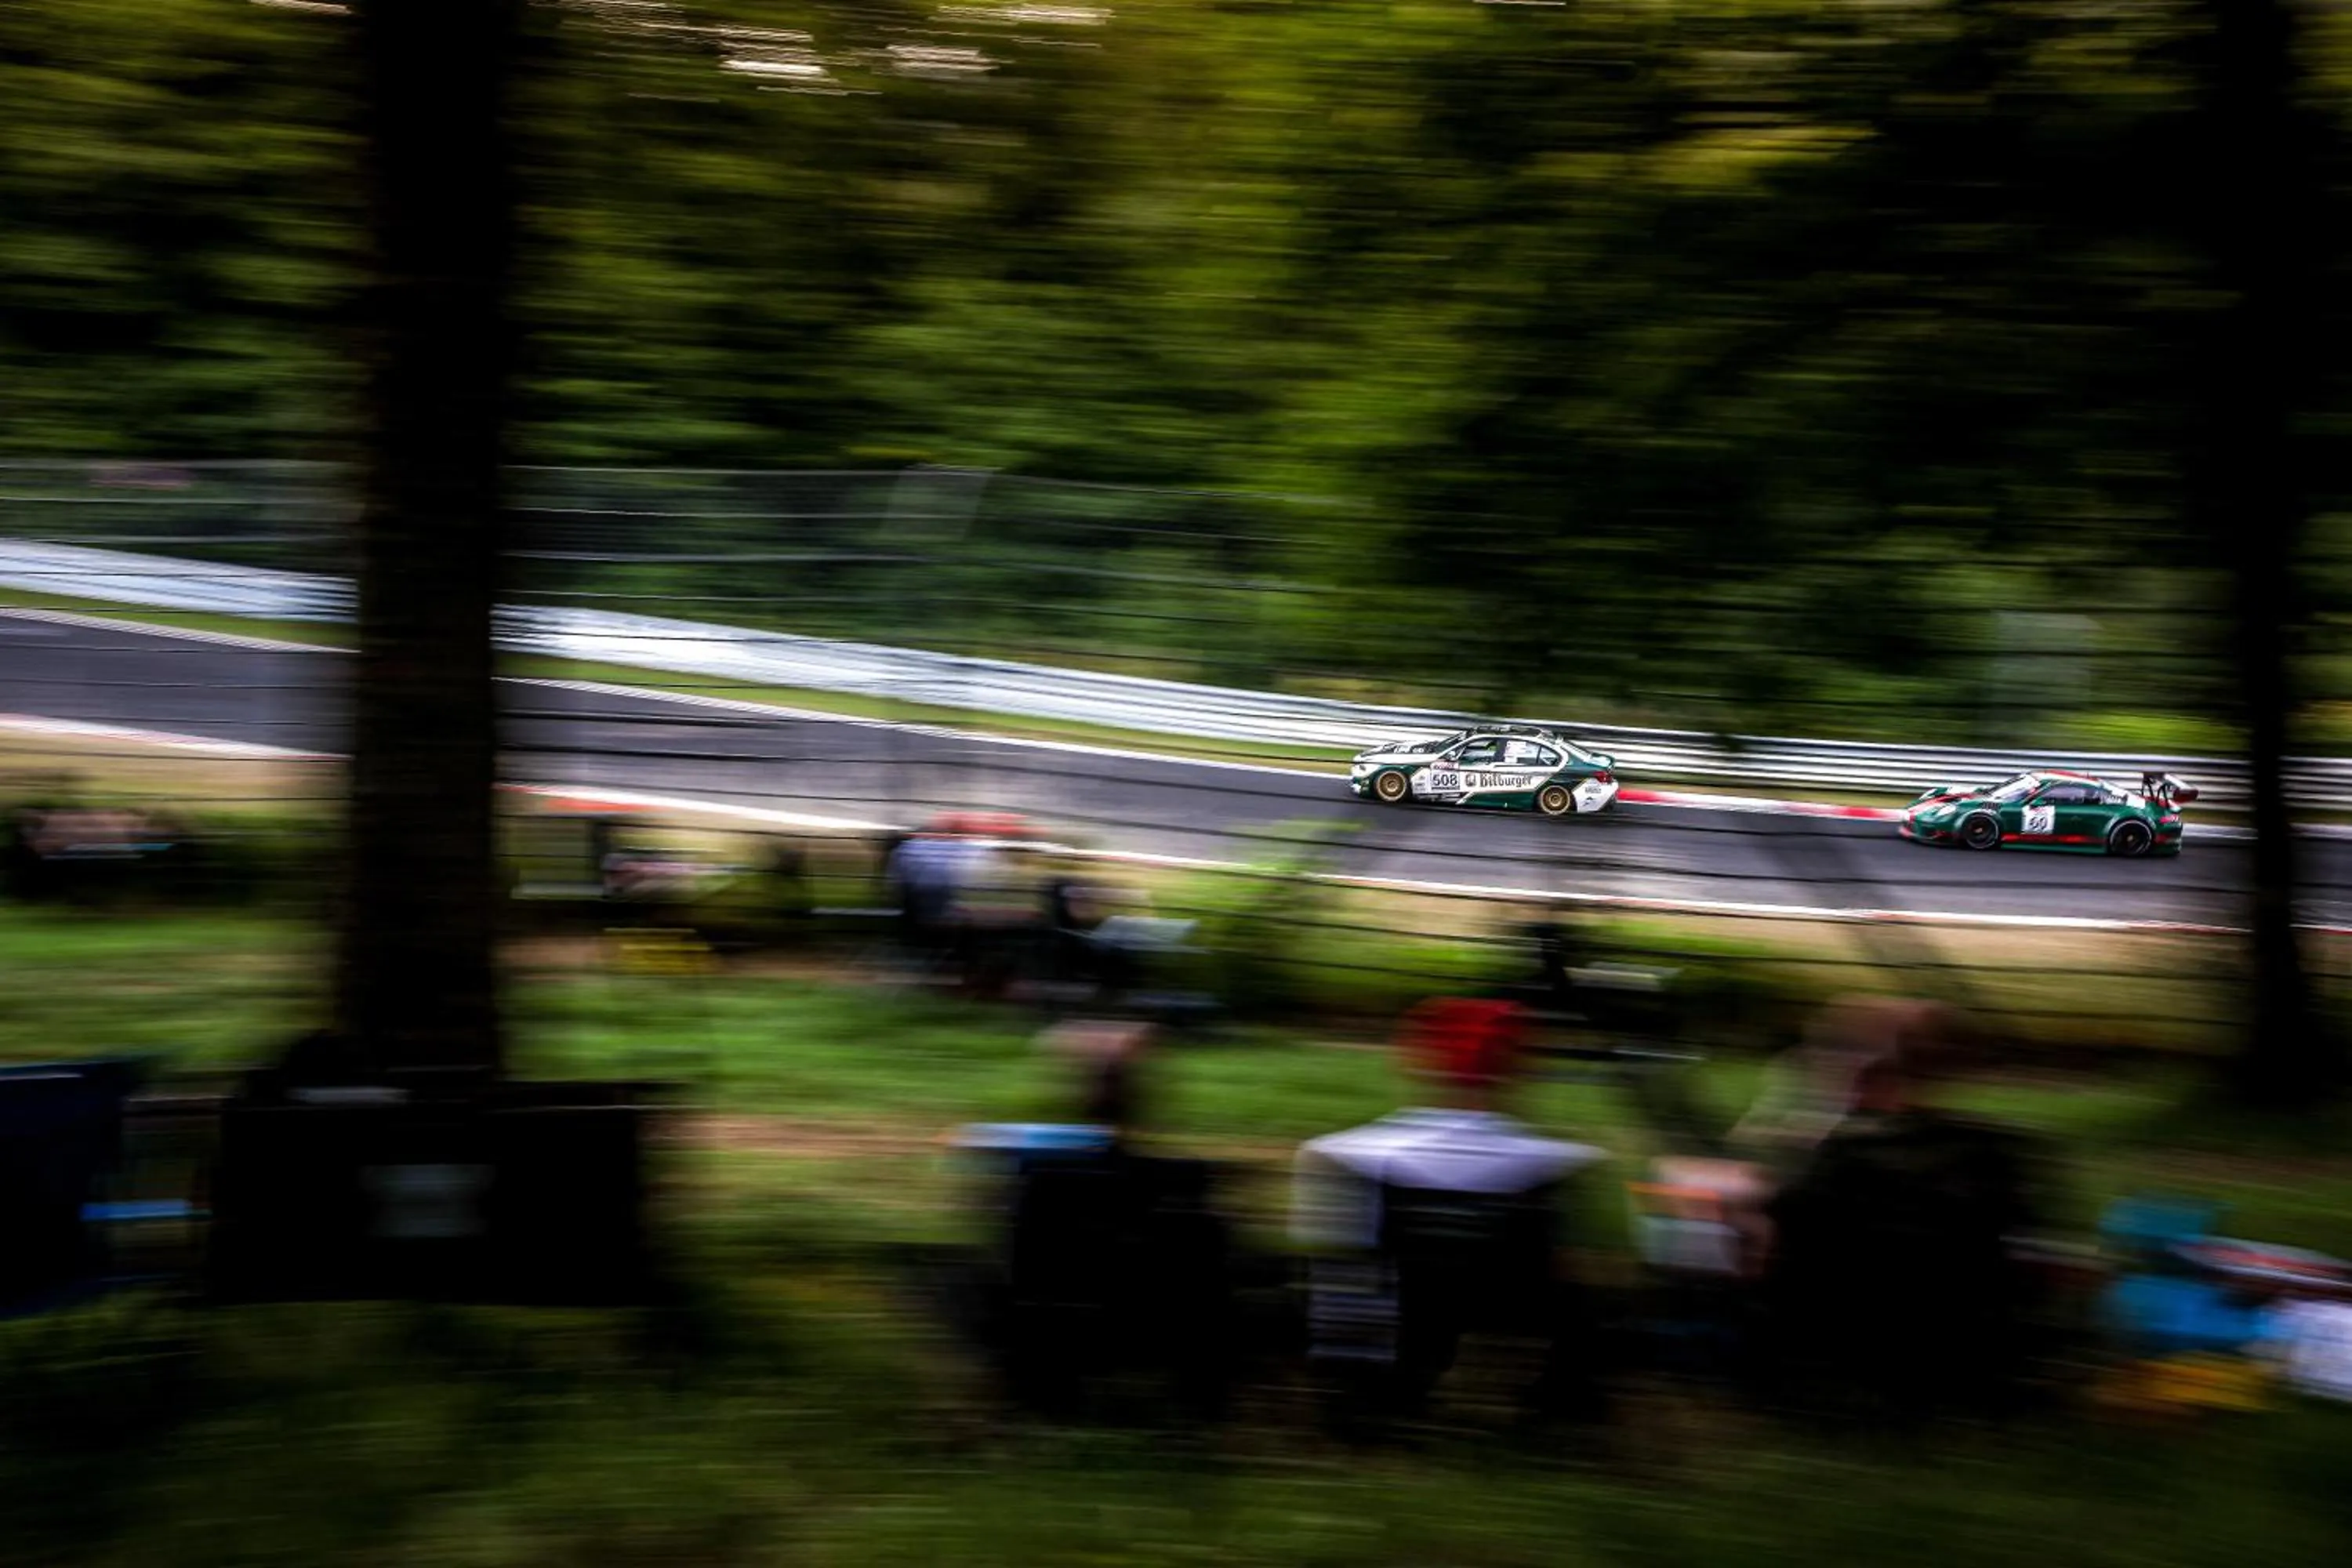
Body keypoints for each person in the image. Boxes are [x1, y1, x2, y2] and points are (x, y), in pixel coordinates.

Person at [1292, 997, 1610, 1429]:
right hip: (1508, 1307)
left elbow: (1336, 1262)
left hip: (1397, 1313)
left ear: (1419, 1062)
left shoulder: (1342, 1156)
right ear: (1515, 1071)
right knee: (1580, 1297)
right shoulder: (1556, 1165)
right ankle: (1560, 1411)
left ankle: (1364, 1399)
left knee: (1348, 1275)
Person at [1757, 999, 2048, 1424]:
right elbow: (2024, 1238)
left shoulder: (1842, 1156)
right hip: (1963, 1351)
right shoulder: (1994, 1151)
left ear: (1869, 1074)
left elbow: (1791, 1227)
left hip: (1847, 1354)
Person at [957, 1021, 1234, 1421]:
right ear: (1146, 1102)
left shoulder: (1041, 1181)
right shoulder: (1184, 1179)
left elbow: (1018, 1263)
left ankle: (1030, 1396)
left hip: (1055, 1335)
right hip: (1153, 1333)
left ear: (1079, 1099)